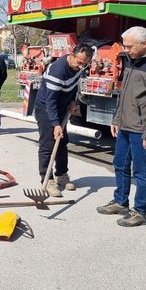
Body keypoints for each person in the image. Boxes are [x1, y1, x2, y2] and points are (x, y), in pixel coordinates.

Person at [97, 26, 146, 227]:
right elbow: (124, 94)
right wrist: (116, 119)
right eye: (125, 46)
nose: (126, 50)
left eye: (130, 46)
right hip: (124, 125)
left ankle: (140, 211)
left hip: (142, 129)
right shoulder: (131, 60)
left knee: (141, 171)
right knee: (120, 164)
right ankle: (120, 202)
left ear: (144, 44)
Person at [35, 43, 93, 197]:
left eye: (84, 63)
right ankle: (47, 180)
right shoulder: (58, 70)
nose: (80, 66)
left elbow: (73, 86)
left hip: (62, 108)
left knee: (62, 142)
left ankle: (62, 175)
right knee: (48, 145)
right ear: (71, 55)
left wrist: (73, 101)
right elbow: (50, 101)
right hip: (46, 109)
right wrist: (55, 124)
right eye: (78, 62)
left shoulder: (78, 68)